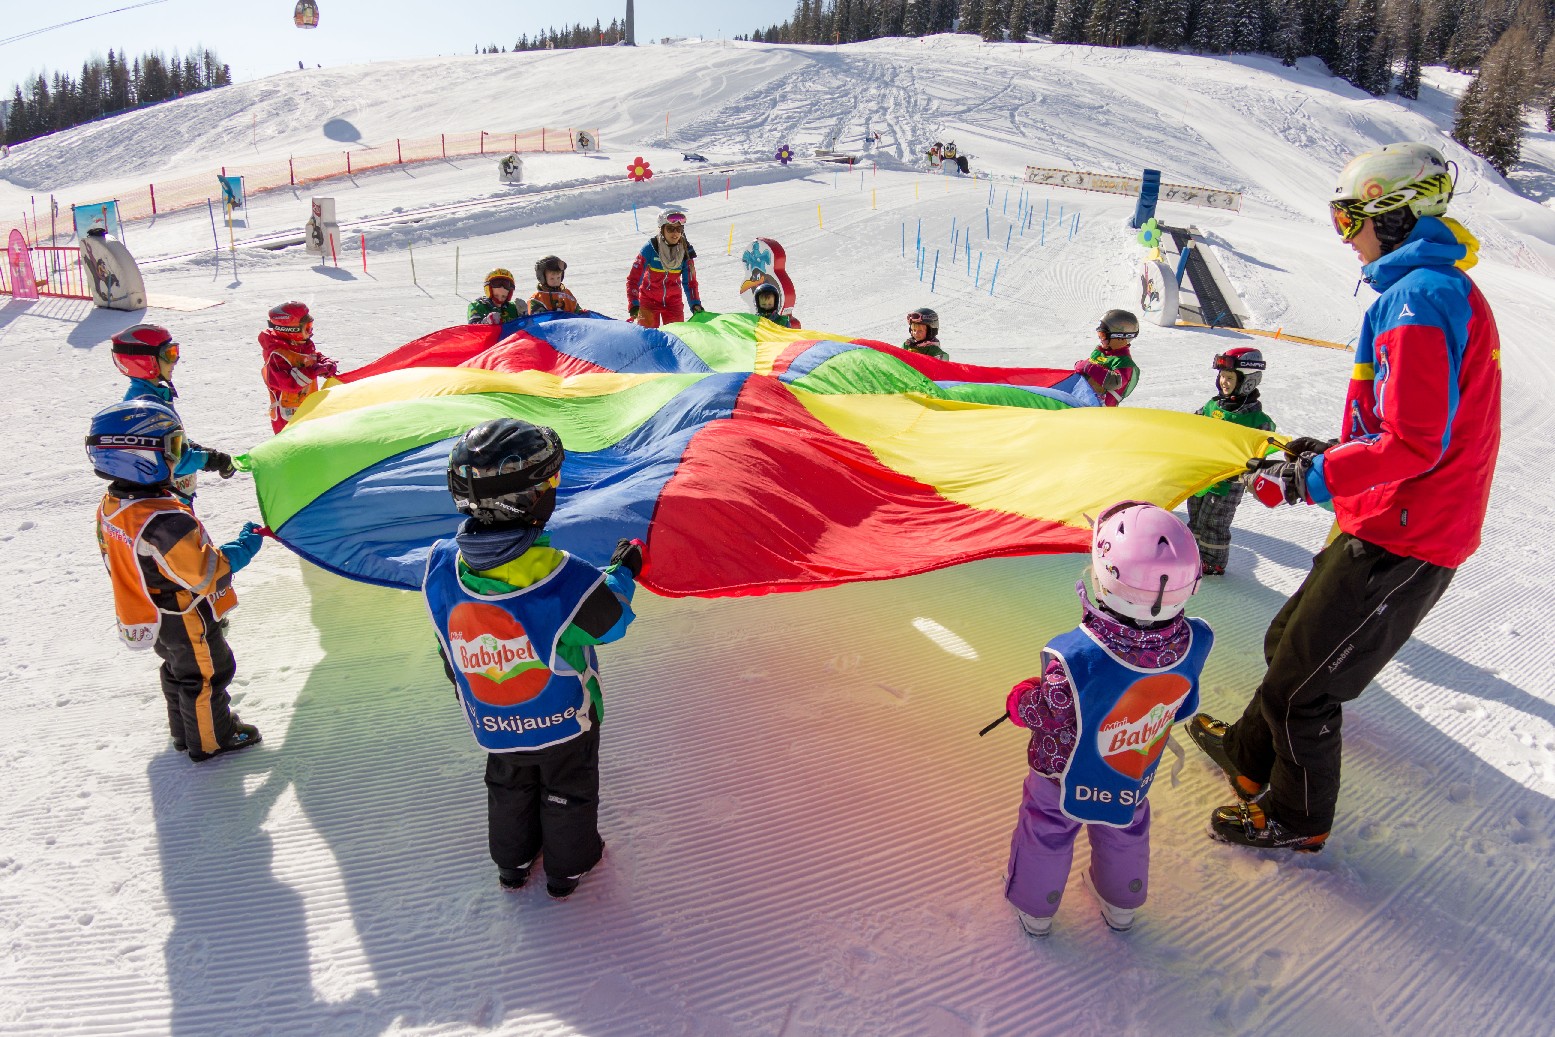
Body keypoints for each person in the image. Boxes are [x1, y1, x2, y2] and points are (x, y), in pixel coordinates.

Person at [1191, 141, 1502, 852]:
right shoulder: (1423, 290)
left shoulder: (1419, 298)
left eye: (1347, 220)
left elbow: (1414, 443)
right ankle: (1247, 755)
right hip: (1385, 514)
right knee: (1287, 643)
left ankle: (1298, 817)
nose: (1344, 238)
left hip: (1408, 532)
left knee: (1306, 689)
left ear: (1393, 215)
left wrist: (1309, 479)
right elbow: (1406, 425)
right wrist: (1328, 453)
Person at [424, 418, 642, 898]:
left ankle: (513, 863)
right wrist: (622, 572)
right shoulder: (563, 578)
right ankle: (568, 869)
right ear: (532, 499)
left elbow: (446, 640)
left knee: (509, 786)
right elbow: (612, 621)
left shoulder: (440, 566)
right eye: (552, 482)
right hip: (563, 719)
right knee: (568, 789)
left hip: (492, 716)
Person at [1003, 502, 1212, 937]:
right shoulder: (1194, 641)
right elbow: (1181, 702)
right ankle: (1121, 900)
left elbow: (1050, 715)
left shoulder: (1078, 656)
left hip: (1062, 771)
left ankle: (1036, 908)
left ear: (1103, 578)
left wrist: (1021, 700)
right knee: (1125, 824)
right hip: (1130, 765)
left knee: (1048, 828)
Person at [88, 399, 266, 762]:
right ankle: (212, 739)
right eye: (174, 446)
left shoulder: (116, 504)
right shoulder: (164, 521)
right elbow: (207, 573)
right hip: (184, 613)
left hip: (152, 611)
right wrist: (246, 545)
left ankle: (185, 731)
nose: (180, 456)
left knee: (177, 669)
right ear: (138, 455)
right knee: (208, 674)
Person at [111, 324, 237, 498]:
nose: (175, 361)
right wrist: (210, 460)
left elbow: (170, 438)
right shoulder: (146, 406)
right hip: (166, 498)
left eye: (175, 352)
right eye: (169, 354)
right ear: (146, 361)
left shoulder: (152, 394)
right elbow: (171, 459)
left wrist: (193, 446)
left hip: (172, 494)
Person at [1187, 347, 1276, 577]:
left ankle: (1213, 561)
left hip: (1228, 482)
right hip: (1203, 474)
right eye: (1222, 376)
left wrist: (1250, 466)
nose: (1223, 382)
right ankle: (1191, 553)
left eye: (1229, 378)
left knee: (1214, 521)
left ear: (1247, 382)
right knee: (1196, 515)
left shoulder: (1257, 420)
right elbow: (1192, 426)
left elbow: (1260, 450)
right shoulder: (1212, 406)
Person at [259, 301, 339, 433]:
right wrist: (314, 370)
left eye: (311, 327)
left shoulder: (303, 344)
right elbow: (288, 384)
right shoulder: (277, 356)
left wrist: (325, 363)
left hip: (307, 409)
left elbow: (313, 357)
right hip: (287, 417)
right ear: (291, 330)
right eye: (307, 328)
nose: (310, 332)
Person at [627, 209, 704, 328]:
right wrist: (634, 304)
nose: (675, 233)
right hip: (648, 302)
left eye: (679, 229)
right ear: (662, 229)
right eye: (670, 229)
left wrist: (695, 303)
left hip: (673, 303)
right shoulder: (650, 248)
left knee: (676, 335)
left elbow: (690, 283)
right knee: (649, 337)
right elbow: (633, 279)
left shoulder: (685, 251)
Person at [1075, 309, 1140, 406]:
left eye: (1103, 335)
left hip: (1100, 409)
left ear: (1120, 337)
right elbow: (1084, 367)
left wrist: (1089, 367)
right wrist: (1082, 365)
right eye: (1099, 335)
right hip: (1081, 399)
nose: (1101, 339)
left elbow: (1115, 382)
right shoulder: (1101, 352)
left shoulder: (1123, 362)